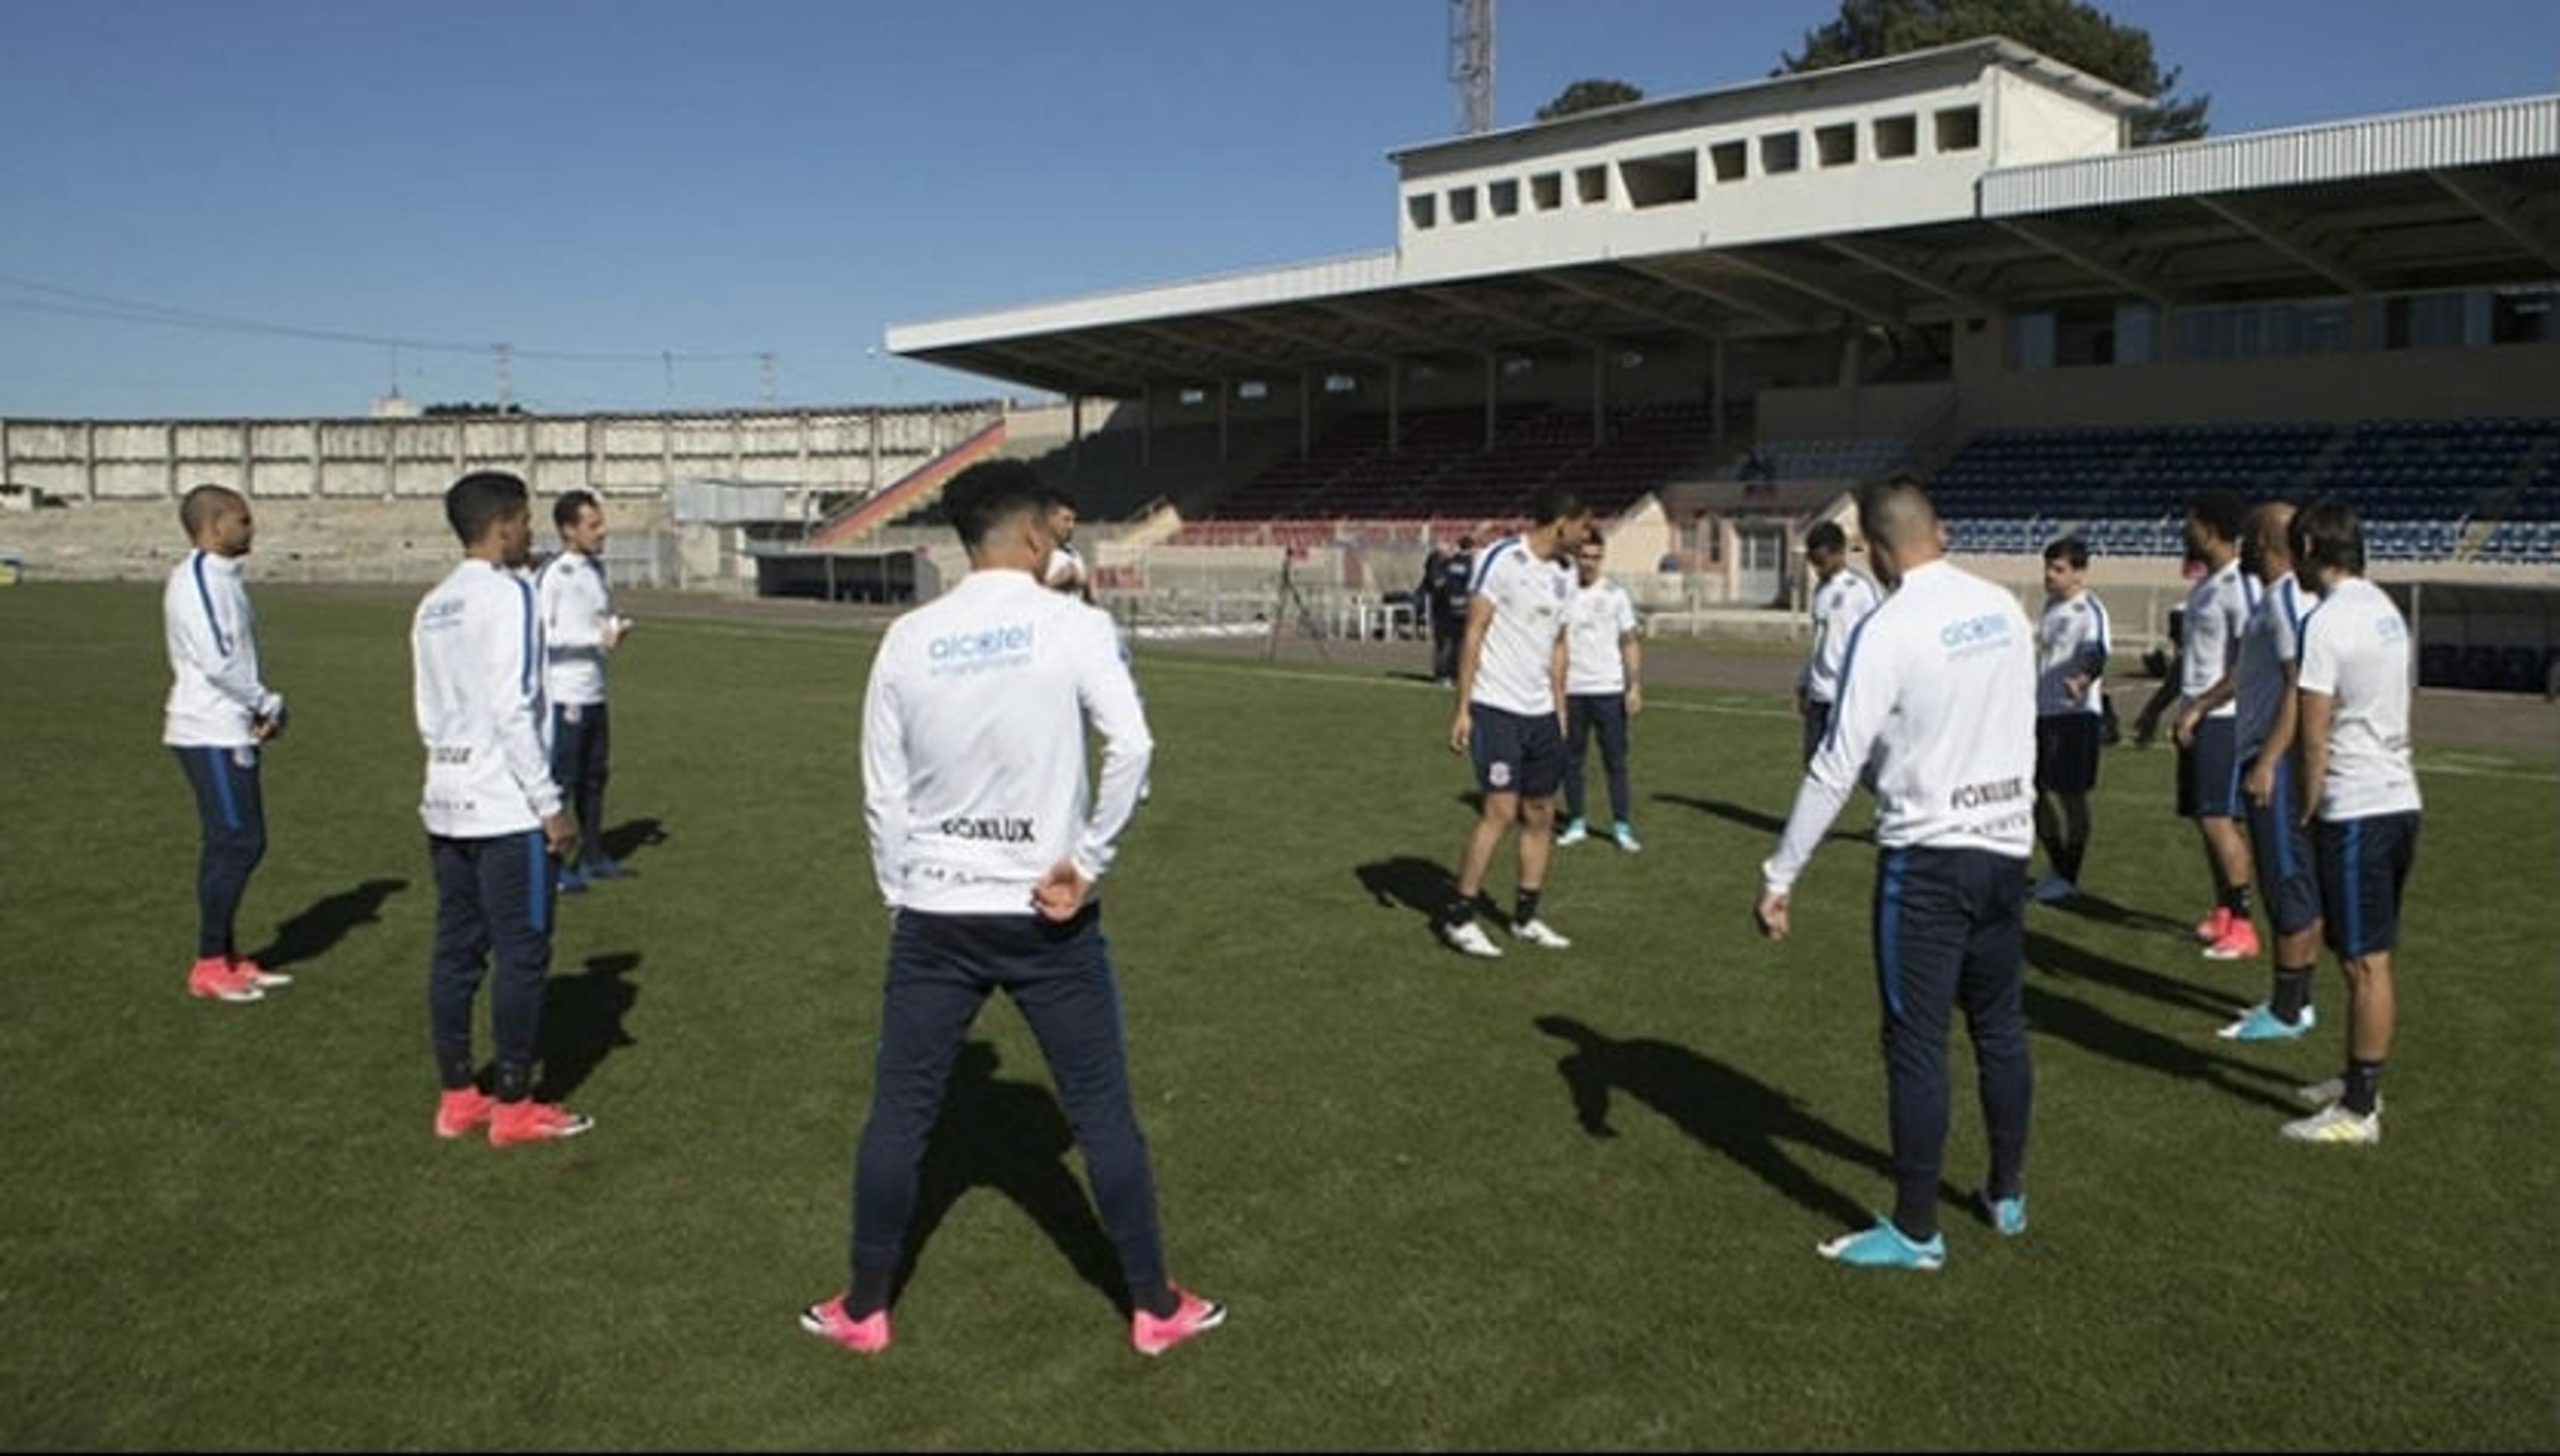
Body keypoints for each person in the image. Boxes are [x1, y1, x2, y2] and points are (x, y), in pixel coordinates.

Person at [801, 459, 1221, 1357]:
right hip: (1047, 912)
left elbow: (882, 792)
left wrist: (897, 893)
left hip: (935, 914)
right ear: (1033, 536)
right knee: (1101, 1111)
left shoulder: (909, 636)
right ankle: (1153, 1306)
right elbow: (1136, 746)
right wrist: (1090, 860)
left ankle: (864, 1306)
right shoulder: (1070, 624)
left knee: (901, 1113)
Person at [1753, 475, 2035, 1271]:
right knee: (2001, 1028)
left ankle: (1917, 1228)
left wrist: (1782, 872)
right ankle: (2005, 1192)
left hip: (1930, 860)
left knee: (1916, 1042)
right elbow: (2024, 721)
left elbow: (1836, 761)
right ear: (1938, 529)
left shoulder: (1890, 626)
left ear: (1873, 550)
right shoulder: (2005, 609)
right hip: (2005, 850)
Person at [411, 471, 591, 1147]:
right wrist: (550, 805)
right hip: (506, 809)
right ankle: (514, 1103)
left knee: (457, 949)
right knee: (523, 952)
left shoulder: (432, 604)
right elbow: (514, 706)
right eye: (525, 521)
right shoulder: (510, 594)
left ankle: (459, 1095)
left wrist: (449, 770)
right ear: (506, 523)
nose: (531, 533)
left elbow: (429, 712)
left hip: (447, 801)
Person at [2282, 499, 2421, 1144]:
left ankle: (2361, 1109)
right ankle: (2356, 1077)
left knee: (2368, 962)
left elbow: (2314, 736)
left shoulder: (2327, 622)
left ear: (2311, 546)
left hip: (2357, 804)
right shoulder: (2385, 610)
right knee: (2359, 954)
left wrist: (2307, 809)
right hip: (2397, 798)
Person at [1438, 489, 1590, 958]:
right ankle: (1460, 917)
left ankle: (1525, 917)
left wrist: (1561, 708)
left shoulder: (1566, 575)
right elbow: (1475, 631)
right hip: (1496, 707)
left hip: (1541, 713)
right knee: (1500, 811)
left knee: (1540, 811)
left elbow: (1559, 643)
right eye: (1583, 525)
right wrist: (1463, 707)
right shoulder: (1501, 559)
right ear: (1561, 523)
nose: (1586, 536)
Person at [163, 484, 293, 1004]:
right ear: (215, 526)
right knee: (236, 840)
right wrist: (266, 701)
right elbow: (219, 663)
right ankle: (210, 961)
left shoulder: (223, 579)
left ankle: (228, 956)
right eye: (243, 520)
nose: (251, 528)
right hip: (206, 728)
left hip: (229, 725)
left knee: (238, 839)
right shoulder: (198, 580)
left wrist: (254, 710)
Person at [2203, 501, 2325, 1040]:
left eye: (2251, 536)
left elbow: (2300, 683)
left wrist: (2271, 759)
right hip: (2273, 753)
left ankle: (2286, 1008)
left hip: (2275, 759)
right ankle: (2296, 999)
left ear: (2267, 543)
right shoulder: (2282, 600)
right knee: (2292, 881)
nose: (2244, 545)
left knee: (2285, 881)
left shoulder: (2281, 602)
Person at [2169, 491, 2259, 961]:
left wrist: (2201, 707)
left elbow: (2247, 664)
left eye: (2190, 521)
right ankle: (2224, 911)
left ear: (2208, 527)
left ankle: (2244, 924)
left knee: (2219, 819)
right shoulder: (2205, 584)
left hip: (2222, 721)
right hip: (2197, 717)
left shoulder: (2239, 584)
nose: (2184, 529)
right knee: (2205, 821)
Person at [535, 489, 630, 893]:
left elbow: (597, 621)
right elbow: (542, 635)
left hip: (594, 691)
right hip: (564, 694)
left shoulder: (596, 571)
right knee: (565, 780)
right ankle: (556, 868)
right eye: (593, 525)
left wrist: (613, 629)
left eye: (601, 522)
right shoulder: (554, 575)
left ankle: (593, 856)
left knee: (596, 777)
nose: (602, 531)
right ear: (568, 530)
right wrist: (593, 639)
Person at [2029, 537, 2110, 903]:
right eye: (2048, 567)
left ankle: (2068, 875)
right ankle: (2058, 868)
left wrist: (2081, 680)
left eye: (2058, 569)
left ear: (2079, 572)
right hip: (2043, 714)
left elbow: (2097, 655)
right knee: (2033, 793)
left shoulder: (2089, 610)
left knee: (2071, 797)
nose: (2050, 575)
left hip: (2074, 716)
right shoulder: (2050, 606)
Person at [1555, 532, 1643, 853]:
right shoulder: (1562, 591)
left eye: (1595, 557)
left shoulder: (1615, 594)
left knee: (1615, 761)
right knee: (1571, 760)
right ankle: (1576, 821)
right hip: (1572, 691)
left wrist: (1633, 685)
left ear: (1602, 558)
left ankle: (1621, 826)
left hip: (1608, 690)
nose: (1589, 563)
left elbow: (1630, 641)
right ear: (1576, 557)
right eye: (1584, 556)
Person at [1795, 520, 1882, 767]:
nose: (1817, 568)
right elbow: (1820, 641)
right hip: (1819, 693)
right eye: (1813, 562)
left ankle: (1901, 804)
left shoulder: (1861, 590)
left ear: (1839, 553)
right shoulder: (1821, 590)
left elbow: (1877, 639)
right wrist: (1804, 682)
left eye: (1821, 561)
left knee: (1863, 767)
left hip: (1847, 694)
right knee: (1814, 764)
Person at [1431, 534, 1477, 686]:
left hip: (1446, 607)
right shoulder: (1471, 565)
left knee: (1445, 643)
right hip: (1463, 608)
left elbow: (1440, 583)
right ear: (1471, 548)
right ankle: (1456, 674)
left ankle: (1443, 675)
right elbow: (1473, 588)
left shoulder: (1449, 563)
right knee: (1460, 643)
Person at [1039, 486, 1093, 602]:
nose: (1071, 526)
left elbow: (1088, 600)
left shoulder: (1075, 555)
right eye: (1066, 520)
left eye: (1074, 521)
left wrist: (1084, 585)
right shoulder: (1030, 555)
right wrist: (1054, 582)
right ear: (1049, 519)